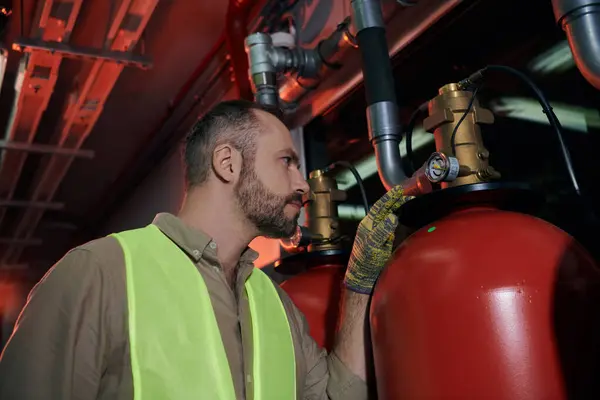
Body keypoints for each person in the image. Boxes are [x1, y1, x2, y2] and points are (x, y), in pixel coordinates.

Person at [0, 100, 410, 399]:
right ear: (227, 163)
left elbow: (336, 397)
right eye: (286, 161)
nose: (302, 183)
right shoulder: (98, 273)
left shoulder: (272, 303)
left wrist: (358, 283)